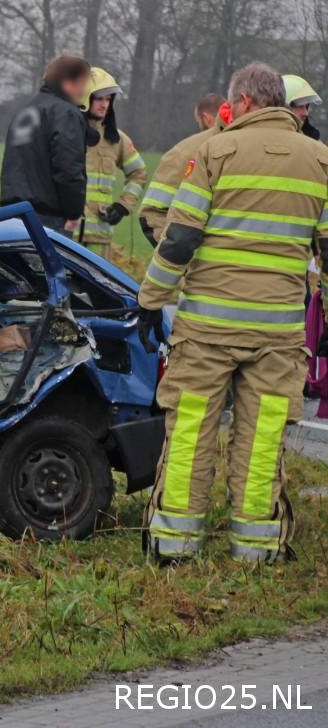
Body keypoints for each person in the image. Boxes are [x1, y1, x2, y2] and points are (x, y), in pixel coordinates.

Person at [138, 61, 328, 563]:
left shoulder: (214, 151)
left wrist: (149, 301)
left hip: (207, 331)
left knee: (191, 435)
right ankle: (256, 550)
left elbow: (179, 239)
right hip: (279, 335)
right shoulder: (321, 160)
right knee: (263, 438)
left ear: (243, 101)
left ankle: (175, 549)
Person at [0, 55, 92, 232]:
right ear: (67, 82)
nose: (83, 91)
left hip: (12, 214)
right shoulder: (66, 113)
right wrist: (73, 212)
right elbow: (68, 169)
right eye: (82, 83)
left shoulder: (25, 111)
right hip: (48, 218)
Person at [138, 93, 226, 246]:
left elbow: (153, 213)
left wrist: (173, 256)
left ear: (206, 118)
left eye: (198, 121)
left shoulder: (184, 151)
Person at [77, 67, 148, 254]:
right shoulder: (68, 133)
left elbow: (139, 173)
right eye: (99, 98)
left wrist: (123, 205)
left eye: (108, 99)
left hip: (99, 237)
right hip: (67, 235)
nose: (104, 104)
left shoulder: (116, 139)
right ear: (85, 98)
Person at [283, 74, 321, 141]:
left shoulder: (314, 142)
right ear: (282, 107)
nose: (306, 113)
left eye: (306, 106)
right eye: (299, 106)